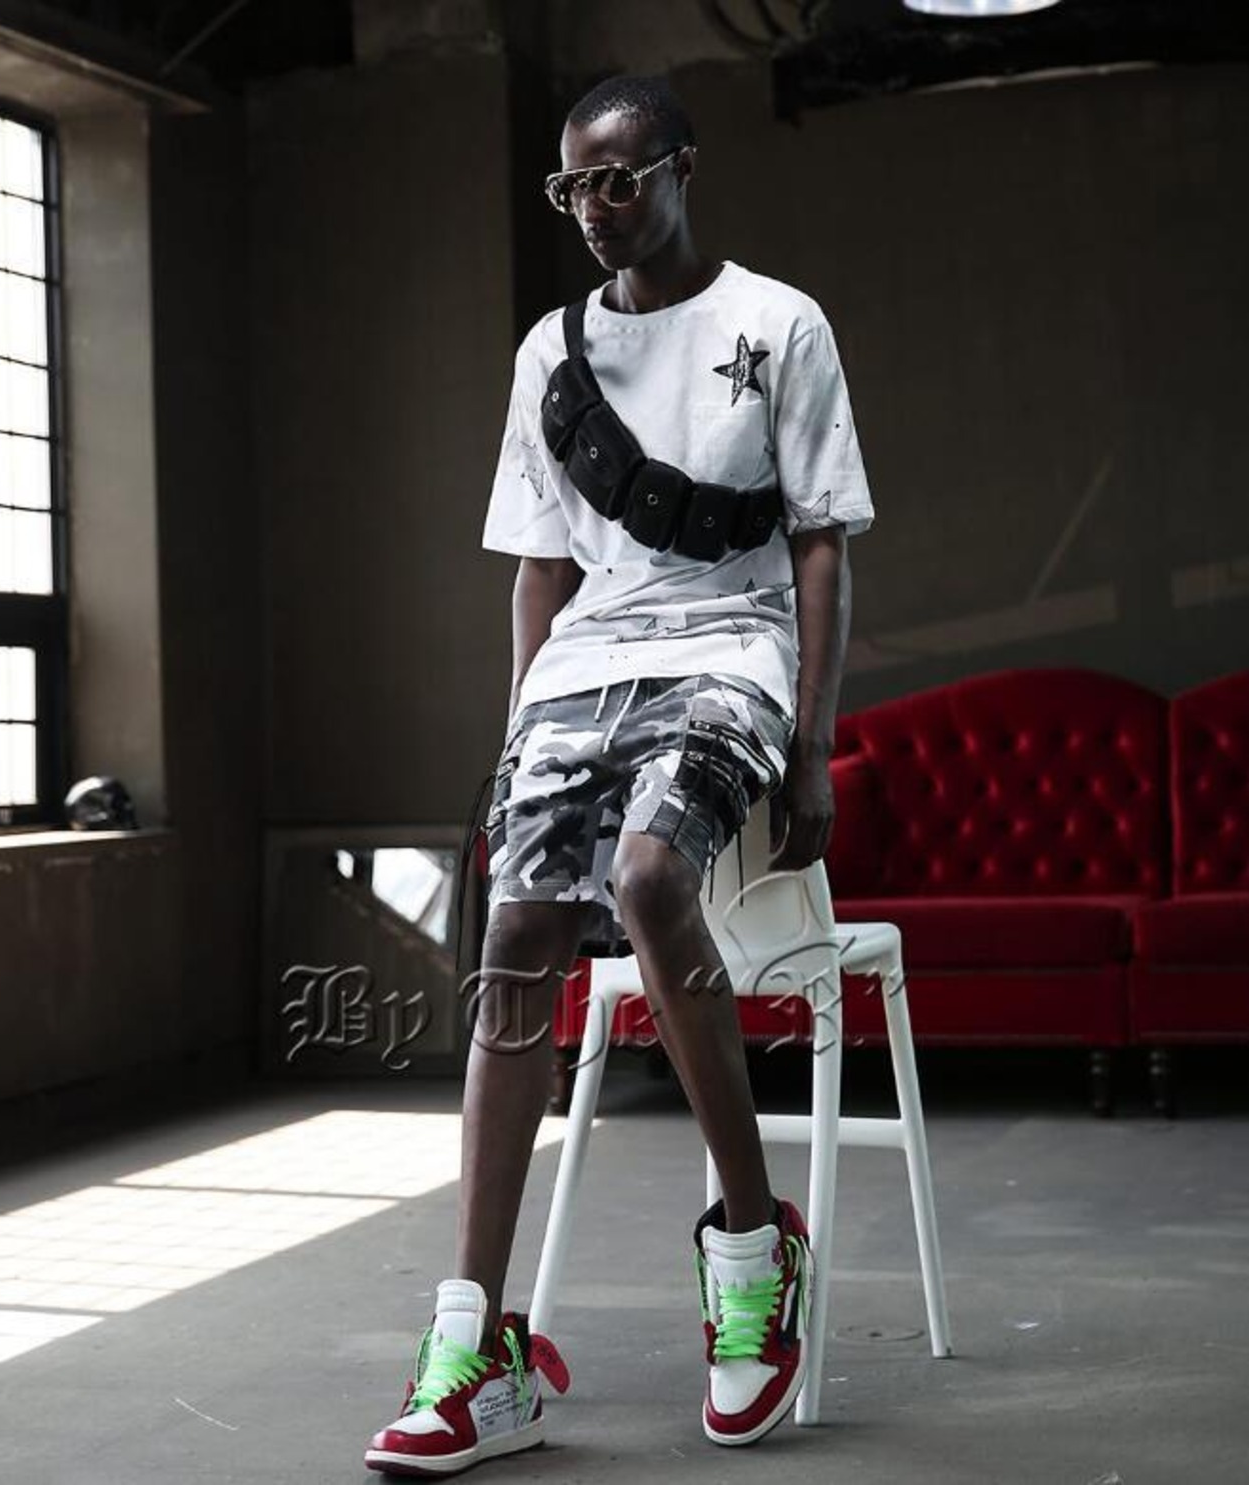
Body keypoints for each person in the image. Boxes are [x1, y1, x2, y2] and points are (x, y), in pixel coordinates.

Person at [364, 72, 874, 1477]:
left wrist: (814, 743)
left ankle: (754, 1251)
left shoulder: (779, 324)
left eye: (618, 179)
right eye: (572, 186)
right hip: (586, 664)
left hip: (734, 648)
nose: (594, 207)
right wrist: (515, 740)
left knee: (651, 879)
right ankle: (477, 1344)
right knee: (518, 934)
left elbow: (821, 541)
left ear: (681, 168)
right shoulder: (552, 352)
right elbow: (539, 566)